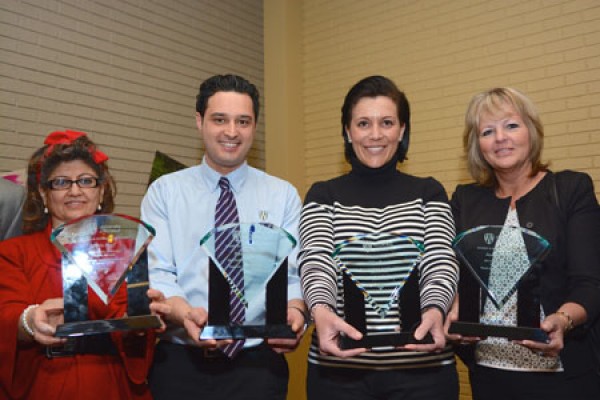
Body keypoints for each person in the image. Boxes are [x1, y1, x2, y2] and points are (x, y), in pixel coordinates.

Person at [141, 74, 308, 400]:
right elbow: (159, 273)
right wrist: (185, 314)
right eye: (220, 119)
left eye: (243, 121)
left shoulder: (282, 195)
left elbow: (293, 274)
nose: (232, 132)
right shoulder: (165, 191)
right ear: (199, 121)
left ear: (254, 127)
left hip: (259, 366)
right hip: (179, 362)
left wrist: (296, 312)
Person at [299, 75, 460, 400]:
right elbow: (316, 263)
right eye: (363, 123)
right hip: (338, 375)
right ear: (347, 130)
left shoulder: (429, 191)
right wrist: (320, 308)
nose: (375, 134)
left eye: (386, 122)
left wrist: (435, 310)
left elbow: (440, 259)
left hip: (424, 374)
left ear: (402, 130)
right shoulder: (322, 195)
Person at [449, 87, 600, 400]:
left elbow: (590, 283)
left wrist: (563, 320)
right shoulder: (465, 200)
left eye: (511, 125)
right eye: (488, 131)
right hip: (489, 375)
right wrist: (453, 312)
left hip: (561, 377)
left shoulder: (571, 189)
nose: (500, 138)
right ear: (478, 145)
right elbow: (454, 277)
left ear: (531, 131)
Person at [0, 130, 160, 400]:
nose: (75, 190)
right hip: (43, 384)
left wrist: (144, 318)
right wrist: (30, 321)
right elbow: (6, 313)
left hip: (114, 386)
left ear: (101, 191)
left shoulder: (125, 247)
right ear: (43, 193)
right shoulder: (14, 253)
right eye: (61, 182)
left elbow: (133, 328)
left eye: (86, 181)